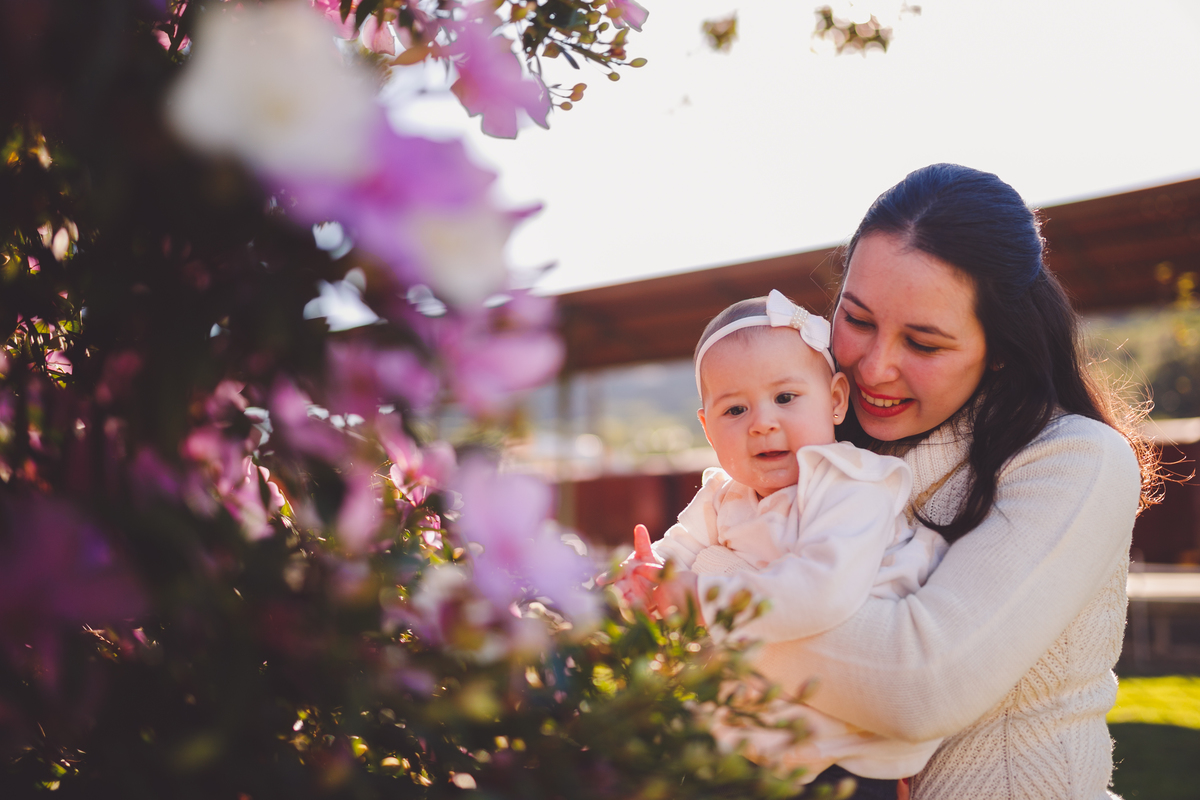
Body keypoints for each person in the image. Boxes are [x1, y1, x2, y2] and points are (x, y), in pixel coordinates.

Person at [732, 163, 1151, 799]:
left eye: (924, 344)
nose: (875, 368)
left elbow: (920, 685)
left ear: (1001, 345)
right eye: (859, 320)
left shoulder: (1075, 459)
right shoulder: (828, 450)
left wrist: (696, 606)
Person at [611, 289, 949, 798]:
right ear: (707, 428)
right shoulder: (722, 498)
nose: (762, 422)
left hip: (845, 749)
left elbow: (823, 589)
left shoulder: (851, 483)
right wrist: (637, 578)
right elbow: (673, 554)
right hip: (748, 743)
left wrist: (695, 597)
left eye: (786, 398)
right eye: (735, 410)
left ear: (835, 400)